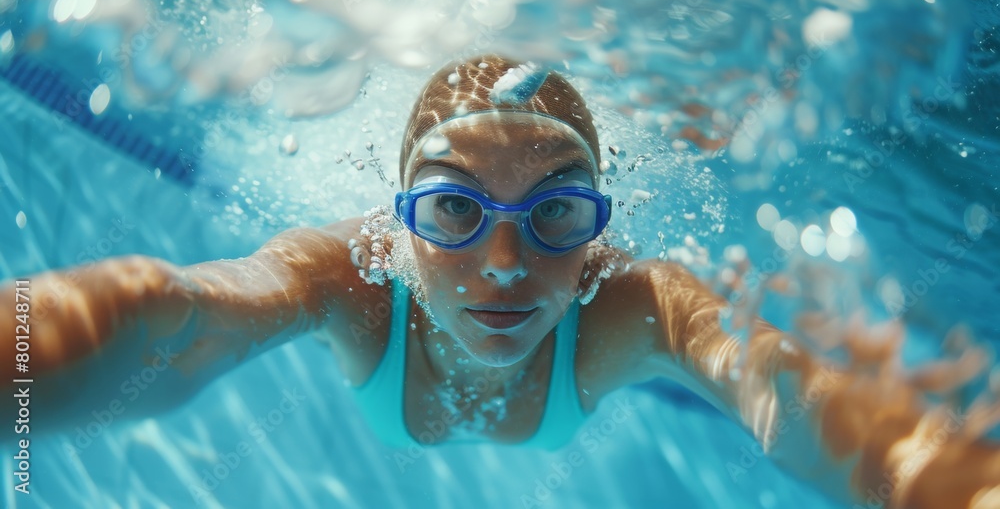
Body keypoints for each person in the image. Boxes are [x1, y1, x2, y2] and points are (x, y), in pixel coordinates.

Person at [1, 54, 997, 508]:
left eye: (557, 211)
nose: (507, 262)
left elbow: (775, 389)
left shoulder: (631, 300)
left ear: (599, 229)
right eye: (452, 210)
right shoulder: (351, 274)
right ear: (395, 225)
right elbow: (180, 319)